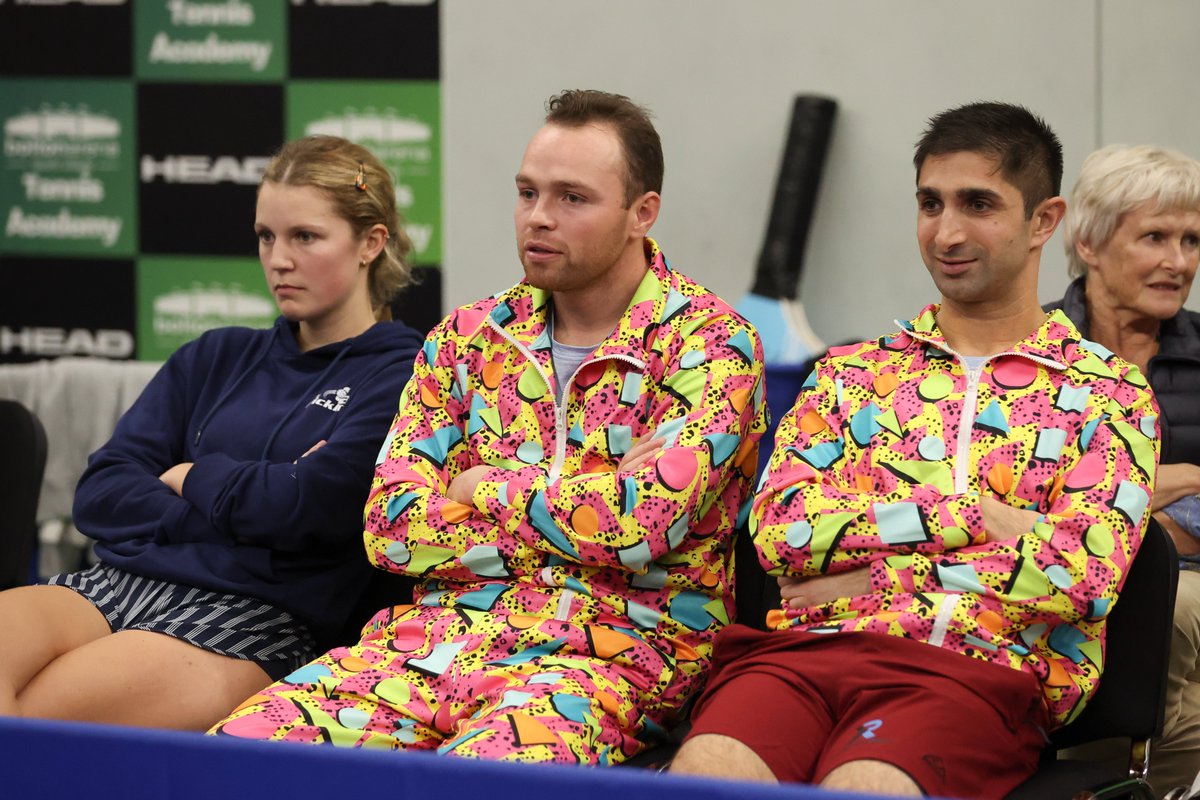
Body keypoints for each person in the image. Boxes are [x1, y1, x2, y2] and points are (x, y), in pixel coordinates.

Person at [211, 89, 767, 765]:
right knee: (238, 755)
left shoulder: (711, 345)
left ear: (640, 214)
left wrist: (481, 485)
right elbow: (390, 527)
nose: (538, 218)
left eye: (572, 198)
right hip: (436, 639)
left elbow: (638, 527)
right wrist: (582, 499)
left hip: (613, 651)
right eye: (527, 192)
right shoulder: (468, 337)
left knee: (479, 779)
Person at [669, 102, 1161, 799]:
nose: (947, 232)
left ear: (1044, 221)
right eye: (930, 203)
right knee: (703, 776)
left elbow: (1080, 578)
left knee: (864, 786)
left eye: (978, 203)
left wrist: (863, 579)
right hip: (806, 655)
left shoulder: (1110, 395)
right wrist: (981, 519)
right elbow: (780, 533)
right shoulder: (851, 373)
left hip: (981, 670)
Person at [0, 135, 425, 731]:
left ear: (370, 243)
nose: (279, 259)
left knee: (33, 728)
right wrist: (233, 516)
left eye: (305, 236)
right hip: (119, 581)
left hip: (260, 616)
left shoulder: (409, 371)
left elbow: (312, 509)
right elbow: (101, 489)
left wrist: (190, 476)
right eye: (266, 236)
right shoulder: (216, 354)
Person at [1046, 143, 1200, 796]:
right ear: (1090, 243)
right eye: (1156, 237)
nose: (1180, 262)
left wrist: (1106, 512)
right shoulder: (1034, 354)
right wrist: (1185, 476)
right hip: (1051, 577)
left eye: (1192, 240)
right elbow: (1018, 501)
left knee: (1167, 605)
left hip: (1175, 586)